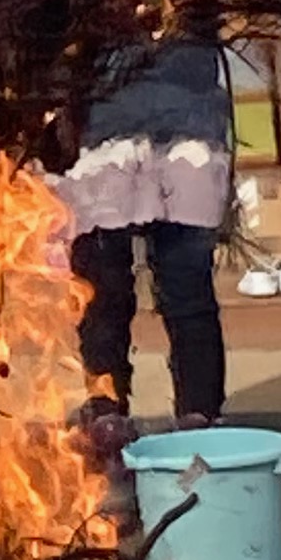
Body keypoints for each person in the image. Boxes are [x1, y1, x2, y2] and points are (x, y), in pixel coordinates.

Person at [64, 29, 233, 431]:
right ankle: (195, 418)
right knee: (176, 291)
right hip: (142, 129)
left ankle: (115, 417)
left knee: (110, 292)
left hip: (146, 130)